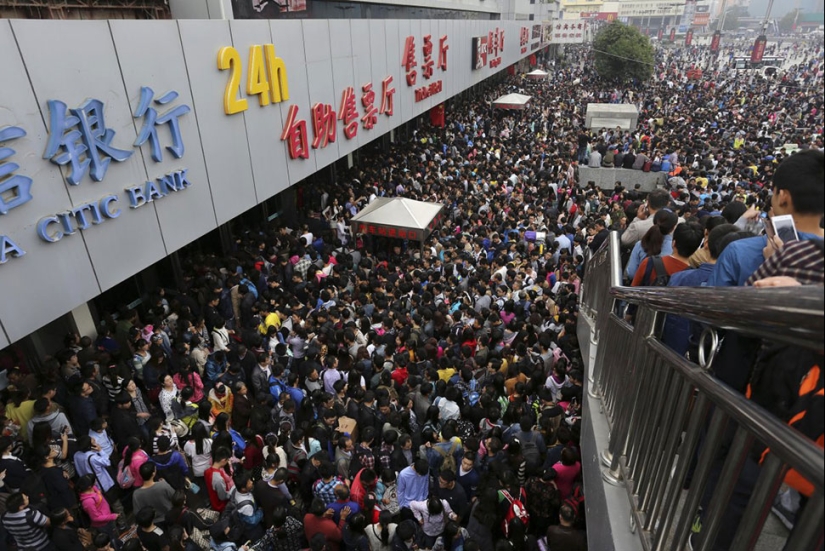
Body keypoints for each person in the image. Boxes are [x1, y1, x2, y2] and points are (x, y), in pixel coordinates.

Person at [204, 446, 234, 513]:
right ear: (223, 460)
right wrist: (233, 491)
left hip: (213, 501)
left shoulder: (207, 471)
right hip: (221, 506)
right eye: (227, 460)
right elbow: (223, 497)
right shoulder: (218, 479)